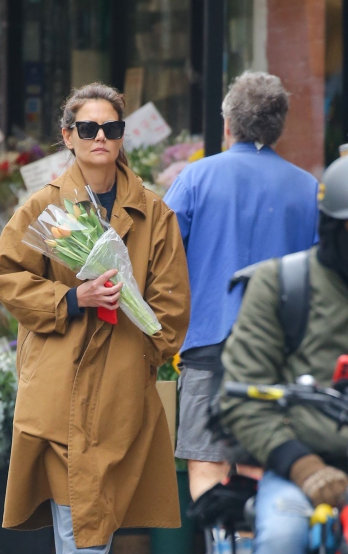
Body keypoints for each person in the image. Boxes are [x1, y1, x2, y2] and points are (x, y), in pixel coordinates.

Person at [0, 82, 190, 554]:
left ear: (123, 136)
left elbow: (173, 304)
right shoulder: (44, 206)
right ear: (67, 136)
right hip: (59, 390)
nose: (101, 139)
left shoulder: (153, 211)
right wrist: (71, 299)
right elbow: (5, 276)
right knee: (81, 509)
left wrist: (143, 336)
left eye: (112, 128)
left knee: (90, 510)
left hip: (122, 392)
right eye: (89, 128)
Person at [212, 155, 348, 554]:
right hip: (298, 469)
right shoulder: (281, 284)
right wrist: (304, 465)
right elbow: (241, 397)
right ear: (332, 228)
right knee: (282, 542)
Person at [164, 71, 319, 502]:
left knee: (206, 460)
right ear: (279, 127)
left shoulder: (195, 179)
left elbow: (157, 255)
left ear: (228, 124)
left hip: (207, 339)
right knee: (261, 460)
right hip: (279, 347)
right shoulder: (308, 189)